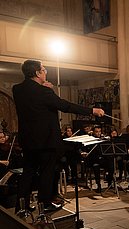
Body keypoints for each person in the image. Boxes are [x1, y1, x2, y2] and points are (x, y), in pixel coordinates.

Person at [12, 59, 104, 212]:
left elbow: (36, 102)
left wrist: (44, 88)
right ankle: (45, 203)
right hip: (46, 140)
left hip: (27, 140)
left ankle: (21, 206)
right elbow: (64, 106)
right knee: (47, 172)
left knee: (28, 172)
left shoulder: (17, 89)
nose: (46, 71)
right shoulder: (44, 91)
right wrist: (91, 111)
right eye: (44, 69)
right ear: (37, 73)